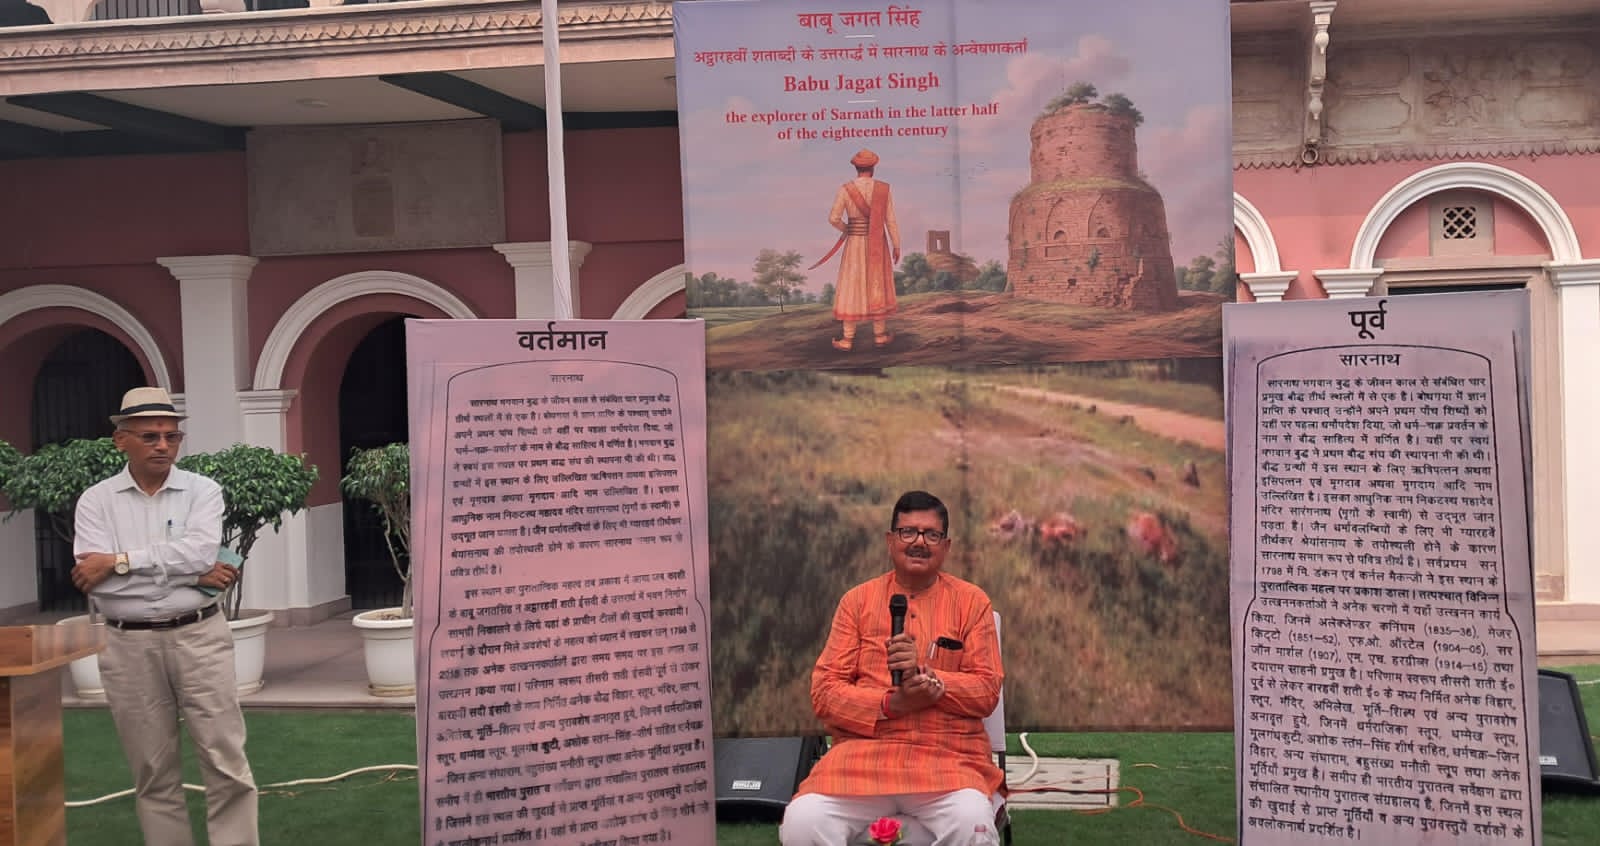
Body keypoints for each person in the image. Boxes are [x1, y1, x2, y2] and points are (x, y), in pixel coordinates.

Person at [72, 386, 259, 846]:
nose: (163, 446)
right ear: (121, 440)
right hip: (127, 643)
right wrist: (188, 573)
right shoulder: (96, 501)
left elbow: (199, 554)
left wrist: (119, 562)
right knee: (152, 770)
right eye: (150, 436)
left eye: (171, 437)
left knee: (226, 761)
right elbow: (96, 580)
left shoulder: (202, 491)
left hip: (199, 637)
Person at [780, 491, 1004, 846]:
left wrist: (932, 681)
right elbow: (824, 693)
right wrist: (891, 704)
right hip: (861, 761)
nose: (919, 542)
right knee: (803, 822)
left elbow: (987, 690)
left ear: (946, 546)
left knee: (972, 824)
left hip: (948, 762)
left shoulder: (972, 602)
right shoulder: (857, 602)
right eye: (908, 532)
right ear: (890, 540)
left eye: (931, 534)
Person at [815, 148, 902, 351]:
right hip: (878, 243)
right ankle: (879, 336)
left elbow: (833, 218)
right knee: (877, 284)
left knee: (852, 286)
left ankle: (847, 339)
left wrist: (848, 228)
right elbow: (890, 220)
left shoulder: (845, 189)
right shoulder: (884, 189)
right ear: (873, 168)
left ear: (856, 167)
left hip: (854, 244)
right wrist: (896, 245)